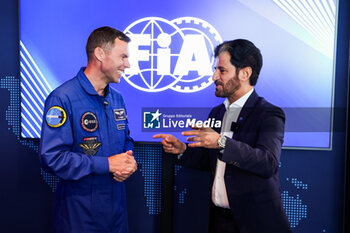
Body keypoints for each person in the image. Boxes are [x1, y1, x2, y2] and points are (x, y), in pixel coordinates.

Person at [153, 39, 292, 233]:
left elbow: (267, 163)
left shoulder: (269, 114)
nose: (214, 77)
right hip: (220, 222)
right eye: (215, 70)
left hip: (257, 224)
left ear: (245, 73)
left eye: (222, 70)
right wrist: (182, 150)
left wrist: (221, 142)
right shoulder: (216, 113)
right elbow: (211, 161)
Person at [39, 26, 137, 233]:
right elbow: (52, 158)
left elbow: (126, 139)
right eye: (123, 57)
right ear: (100, 54)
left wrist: (128, 160)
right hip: (79, 215)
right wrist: (106, 164)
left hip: (117, 212)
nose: (127, 64)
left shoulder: (116, 98)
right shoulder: (62, 98)